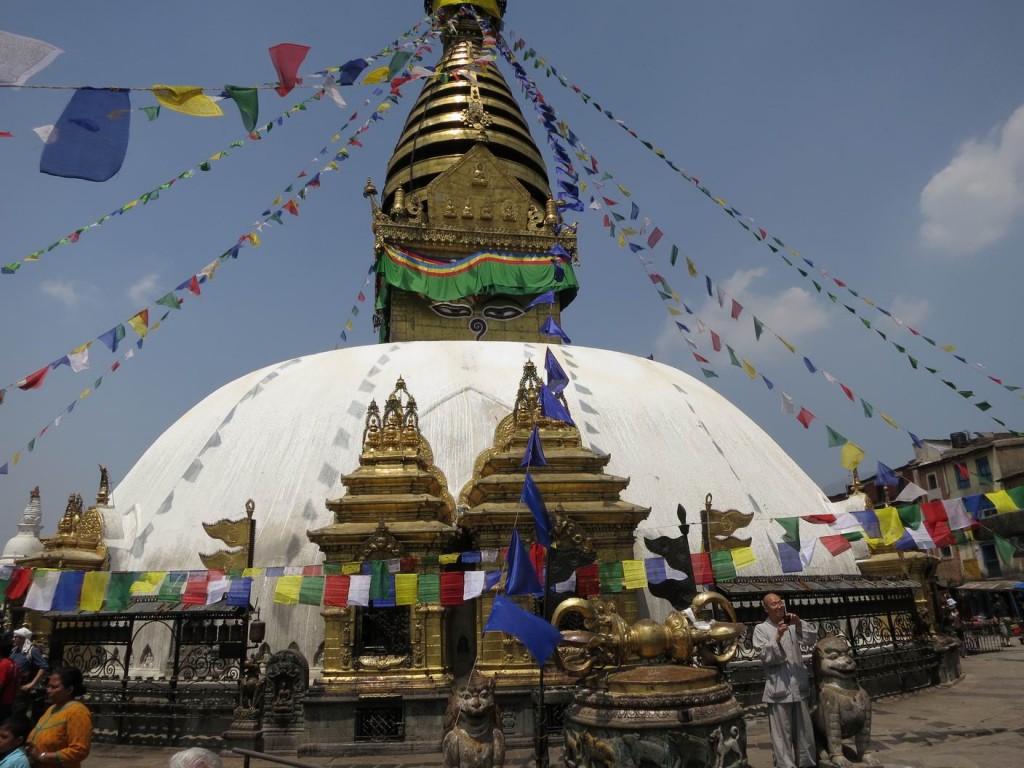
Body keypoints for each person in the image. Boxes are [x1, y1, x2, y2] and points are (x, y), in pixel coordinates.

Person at [752, 593, 818, 768]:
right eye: (774, 604)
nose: (779, 606)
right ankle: (785, 765)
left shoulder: (791, 626)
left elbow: (811, 639)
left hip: (798, 684)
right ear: (766, 609)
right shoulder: (761, 629)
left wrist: (799, 623)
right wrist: (778, 637)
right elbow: (766, 656)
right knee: (782, 735)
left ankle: (807, 763)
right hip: (778, 688)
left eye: (780, 602)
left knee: (805, 732)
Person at [23, 668, 91, 768]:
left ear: (69, 690)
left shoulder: (77, 712)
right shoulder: (51, 709)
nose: (48, 690)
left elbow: (79, 750)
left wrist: (42, 756)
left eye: (54, 687)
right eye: (48, 686)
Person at [10, 629, 46, 722]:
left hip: (23, 687)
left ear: (23, 639)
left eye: (16, 637)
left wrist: (32, 684)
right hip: (12, 687)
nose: (14, 639)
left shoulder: (32, 651)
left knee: (18, 715)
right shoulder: (14, 651)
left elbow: (43, 666)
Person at [0, 639, 19, 724]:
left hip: (2, 702)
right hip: (9, 702)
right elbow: (18, 684)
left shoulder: (3, 665)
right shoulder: (15, 664)